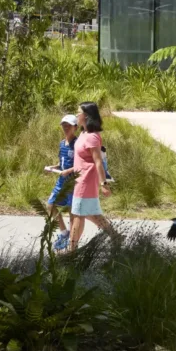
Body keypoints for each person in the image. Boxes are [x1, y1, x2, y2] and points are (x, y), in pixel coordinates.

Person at [68, 102, 120, 251]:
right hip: (79, 180)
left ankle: (71, 251)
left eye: (78, 112)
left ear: (86, 116)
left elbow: (98, 162)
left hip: (86, 181)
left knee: (78, 214)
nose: (76, 114)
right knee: (91, 213)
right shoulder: (84, 134)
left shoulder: (92, 137)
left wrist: (104, 184)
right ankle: (116, 236)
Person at [43, 113, 78, 251]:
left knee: (71, 211)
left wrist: (68, 171)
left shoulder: (78, 144)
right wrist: (54, 167)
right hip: (61, 181)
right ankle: (64, 232)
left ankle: (72, 241)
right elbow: (62, 162)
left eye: (68, 126)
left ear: (75, 127)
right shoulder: (62, 144)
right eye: (64, 125)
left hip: (72, 183)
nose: (66, 128)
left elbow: (81, 165)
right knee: (50, 205)